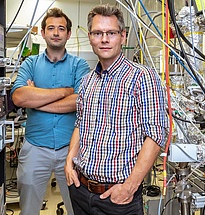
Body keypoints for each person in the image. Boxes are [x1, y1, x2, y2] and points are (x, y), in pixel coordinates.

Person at [65, 4, 169, 215]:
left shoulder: (142, 77)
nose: (104, 39)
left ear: (122, 36)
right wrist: (69, 163)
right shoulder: (87, 81)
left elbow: (157, 134)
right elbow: (80, 124)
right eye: (97, 33)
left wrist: (130, 186)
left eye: (111, 33)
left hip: (118, 197)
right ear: (90, 36)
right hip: (81, 190)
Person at [11, 7, 89, 215]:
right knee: (28, 209)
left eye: (61, 28)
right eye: (51, 28)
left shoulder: (79, 65)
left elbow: (80, 101)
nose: (56, 32)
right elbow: (19, 97)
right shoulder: (30, 63)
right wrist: (64, 91)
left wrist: (36, 97)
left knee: (77, 208)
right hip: (35, 147)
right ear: (43, 33)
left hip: (71, 149)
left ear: (68, 34)